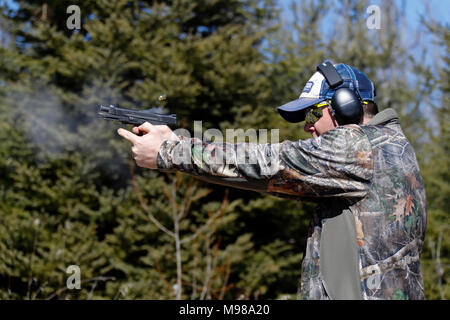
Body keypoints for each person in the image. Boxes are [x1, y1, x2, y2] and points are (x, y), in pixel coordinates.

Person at [117, 61, 427, 300]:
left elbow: (269, 163)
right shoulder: (387, 148)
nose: (308, 128)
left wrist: (170, 152)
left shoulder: (359, 146)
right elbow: (270, 178)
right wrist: (178, 148)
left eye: (311, 115)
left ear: (344, 107)